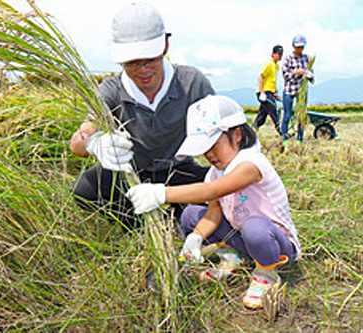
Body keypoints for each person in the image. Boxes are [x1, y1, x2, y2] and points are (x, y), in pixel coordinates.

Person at [126, 95, 301, 310]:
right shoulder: (215, 172)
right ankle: (233, 257)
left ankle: (267, 272)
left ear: (237, 135)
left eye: (213, 146)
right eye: (204, 149)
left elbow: (212, 190)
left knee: (254, 227)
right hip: (243, 238)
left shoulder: (251, 164)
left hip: (276, 244)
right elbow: (214, 212)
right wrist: (196, 238)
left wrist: (161, 194)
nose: (208, 154)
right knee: (191, 215)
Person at [69, 2, 215, 229]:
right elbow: (77, 142)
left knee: (226, 186)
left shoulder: (192, 83)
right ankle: (140, 226)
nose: (143, 70)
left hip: (178, 172)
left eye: (150, 59)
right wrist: (93, 143)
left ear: (165, 46)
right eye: (132, 62)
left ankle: (178, 213)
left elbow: (222, 136)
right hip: (132, 175)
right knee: (85, 189)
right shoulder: (111, 90)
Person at [281, 34, 314, 148]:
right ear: (293, 46)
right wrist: (296, 72)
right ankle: (284, 139)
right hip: (289, 90)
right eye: (297, 46)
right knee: (287, 114)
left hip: (301, 91)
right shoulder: (288, 58)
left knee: (301, 115)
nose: (300, 49)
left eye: (301, 46)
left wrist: (309, 75)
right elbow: (285, 75)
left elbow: (311, 75)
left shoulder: (307, 59)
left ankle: (299, 140)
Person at [254, 45, 283, 134]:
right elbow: (260, 77)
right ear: (273, 54)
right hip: (264, 92)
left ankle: (253, 129)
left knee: (262, 115)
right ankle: (281, 132)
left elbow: (271, 81)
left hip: (269, 92)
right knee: (274, 110)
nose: (280, 55)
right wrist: (262, 93)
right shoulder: (268, 64)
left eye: (281, 54)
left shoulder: (276, 66)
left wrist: (274, 92)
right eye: (278, 54)